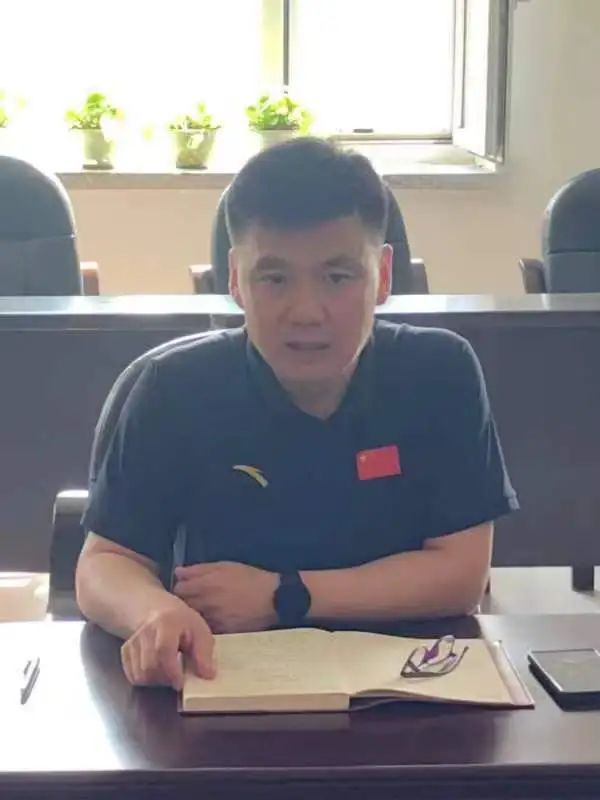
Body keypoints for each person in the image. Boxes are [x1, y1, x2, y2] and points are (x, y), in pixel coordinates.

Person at [76, 137, 518, 689]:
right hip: (227, 683)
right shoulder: (175, 387)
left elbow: (461, 574)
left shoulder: (441, 372)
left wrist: (284, 594)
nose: (307, 312)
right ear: (235, 278)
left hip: (412, 685)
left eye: (338, 277)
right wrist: (153, 610)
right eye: (275, 278)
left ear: (383, 275)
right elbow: (105, 562)